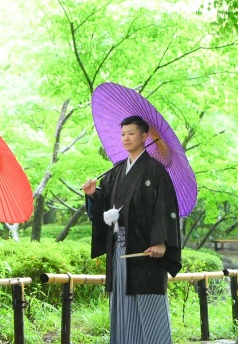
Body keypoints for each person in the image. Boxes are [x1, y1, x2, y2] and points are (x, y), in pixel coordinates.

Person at [82, 115, 182, 344]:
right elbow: (104, 203)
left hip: (146, 250)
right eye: (123, 134)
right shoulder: (115, 172)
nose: (126, 138)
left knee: (149, 303)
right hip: (120, 248)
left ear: (144, 137)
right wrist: (92, 195)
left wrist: (161, 242)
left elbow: (165, 207)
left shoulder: (155, 170)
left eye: (131, 133)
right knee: (122, 304)